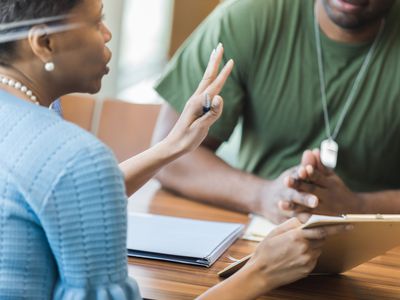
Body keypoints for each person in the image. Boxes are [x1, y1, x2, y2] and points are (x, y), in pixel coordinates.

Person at [0, 0, 350, 299]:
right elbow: (72, 179)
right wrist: (260, 271)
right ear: (44, 42)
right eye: (97, 21)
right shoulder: (75, 156)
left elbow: (63, 195)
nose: (107, 34)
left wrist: (172, 147)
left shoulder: (37, 124)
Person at [152, 0, 400, 224]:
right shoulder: (249, 16)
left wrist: (356, 207)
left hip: (383, 242)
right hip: (256, 229)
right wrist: (263, 196)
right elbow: (169, 156)